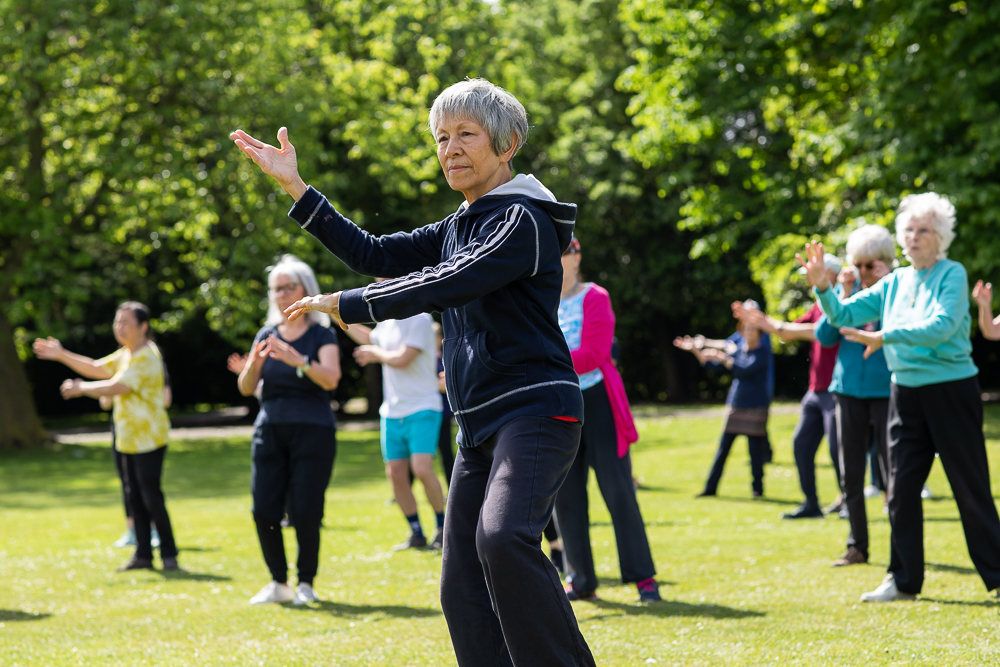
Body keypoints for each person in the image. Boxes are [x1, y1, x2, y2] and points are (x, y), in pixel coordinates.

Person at [231, 78, 595, 665]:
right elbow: (373, 253)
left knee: (503, 538)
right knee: (461, 588)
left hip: (535, 411)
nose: (450, 149)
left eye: (466, 134)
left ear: (508, 144)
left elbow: (451, 280)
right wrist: (296, 186)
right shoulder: (456, 225)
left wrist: (351, 304)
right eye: (441, 137)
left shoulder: (523, 220)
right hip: (477, 428)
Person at [799, 192, 1000, 602]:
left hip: (950, 391)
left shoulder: (952, 274)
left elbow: (942, 326)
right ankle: (904, 580)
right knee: (900, 489)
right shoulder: (894, 282)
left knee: (970, 487)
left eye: (923, 230)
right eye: (908, 230)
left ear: (940, 236)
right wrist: (823, 288)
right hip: (905, 393)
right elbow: (843, 315)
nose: (913, 237)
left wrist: (885, 335)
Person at [33, 302, 180, 572]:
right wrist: (62, 354)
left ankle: (169, 555)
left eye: (125, 322)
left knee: (151, 497)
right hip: (127, 439)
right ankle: (143, 556)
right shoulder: (126, 354)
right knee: (133, 497)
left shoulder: (147, 355)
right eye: (117, 322)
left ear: (143, 327)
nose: (119, 327)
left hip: (149, 439)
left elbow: (117, 385)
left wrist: (81, 389)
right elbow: (96, 367)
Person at [554, 235, 660, 603]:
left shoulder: (594, 296)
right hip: (560, 407)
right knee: (566, 498)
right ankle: (581, 580)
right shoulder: (539, 299)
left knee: (618, 493)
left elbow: (595, 354)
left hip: (598, 403)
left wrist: (545, 362)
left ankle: (644, 579)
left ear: (577, 257)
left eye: (566, 251)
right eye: (553, 251)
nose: (559, 257)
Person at [236, 255, 341, 606]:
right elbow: (246, 388)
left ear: (305, 290)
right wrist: (253, 365)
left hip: (313, 431)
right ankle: (279, 582)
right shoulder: (265, 334)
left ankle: (305, 583)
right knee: (263, 508)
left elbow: (331, 379)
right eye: (276, 289)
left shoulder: (321, 334)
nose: (281, 295)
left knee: (306, 509)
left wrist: (299, 361)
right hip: (270, 430)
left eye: (288, 287)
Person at [734, 255, 844, 519]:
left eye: (812, 274)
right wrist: (761, 321)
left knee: (837, 449)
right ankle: (811, 505)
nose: (808, 280)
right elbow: (788, 332)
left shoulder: (841, 303)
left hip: (836, 390)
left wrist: (771, 324)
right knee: (801, 444)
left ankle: (848, 502)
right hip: (815, 391)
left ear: (830, 274)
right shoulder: (818, 305)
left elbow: (817, 331)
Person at [813, 225, 894, 566]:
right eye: (857, 264)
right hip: (847, 390)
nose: (863, 271)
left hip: (888, 390)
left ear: (885, 261)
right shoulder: (847, 293)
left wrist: (888, 281)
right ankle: (857, 545)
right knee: (851, 472)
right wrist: (842, 293)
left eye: (870, 265)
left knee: (894, 470)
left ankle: (901, 547)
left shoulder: (895, 290)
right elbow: (824, 336)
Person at [342, 311, 446, 550]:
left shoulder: (420, 319)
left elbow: (402, 358)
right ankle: (416, 532)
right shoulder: (386, 322)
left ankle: (443, 527)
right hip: (391, 412)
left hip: (423, 407)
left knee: (421, 469)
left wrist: (375, 354)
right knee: (396, 474)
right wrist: (338, 317)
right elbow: (370, 338)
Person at [675, 300, 774, 498]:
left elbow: (743, 369)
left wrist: (724, 359)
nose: (748, 332)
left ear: (759, 333)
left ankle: (757, 489)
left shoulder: (762, 352)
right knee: (723, 449)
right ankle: (710, 488)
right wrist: (695, 349)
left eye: (752, 329)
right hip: (736, 404)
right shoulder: (738, 349)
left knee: (755, 451)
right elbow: (711, 364)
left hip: (756, 406)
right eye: (745, 329)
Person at [106, 365, 172, 549]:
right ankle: (135, 536)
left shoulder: (150, 362)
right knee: (130, 489)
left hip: (147, 436)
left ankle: (159, 538)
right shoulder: (120, 365)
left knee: (149, 491)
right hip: (123, 436)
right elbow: (105, 403)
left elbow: (166, 400)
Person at [432, 322, 457, 487]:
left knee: (446, 453)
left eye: (434, 335)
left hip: (443, 414)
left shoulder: (445, 359)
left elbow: (447, 386)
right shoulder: (422, 360)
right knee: (417, 455)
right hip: (425, 412)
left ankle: (452, 489)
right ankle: (402, 492)